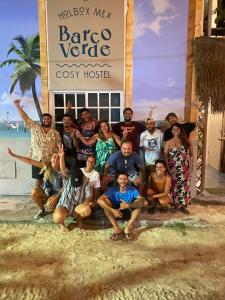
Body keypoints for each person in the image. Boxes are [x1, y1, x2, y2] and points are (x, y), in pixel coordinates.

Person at [13, 99, 61, 190]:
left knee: (50, 182)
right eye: (44, 119)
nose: (46, 120)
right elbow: (25, 118)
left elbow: (59, 149)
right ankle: (38, 200)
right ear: (41, 120)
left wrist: (56, 162)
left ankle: (48, 200)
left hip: (49, 162)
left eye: (48, 119)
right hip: (36, 160)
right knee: (38, 183)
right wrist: (17, 106)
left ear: (51, 120)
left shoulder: (56, 133)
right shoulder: (35, 128)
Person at [8, 148, 63, 218]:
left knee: (50, 205)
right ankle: (42, 210)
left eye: (58, 158)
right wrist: (14, 155)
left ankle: (57, 209)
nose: (56, 159)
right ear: (51, 159)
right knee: (35, 192)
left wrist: (56, 198)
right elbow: (29, 161)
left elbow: (66, 186)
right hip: (47, 192)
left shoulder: (63, 169)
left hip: (58, 194)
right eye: (54, 157)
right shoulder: (46, 165)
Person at [53, 144, 93, 232]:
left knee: (87, 210)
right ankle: (61, 223)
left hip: (77, 208)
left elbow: (89, 197)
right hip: (65, 205)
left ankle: (78, 219)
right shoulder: (68, 177)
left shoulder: (86, 181)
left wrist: (85, 203)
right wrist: (62, 156)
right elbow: (63, 169)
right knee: (57, 218)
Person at [97, 173, 144, 241]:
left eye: (124, 179)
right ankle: (116, 228)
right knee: (106, 204)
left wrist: (128, 205)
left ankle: (127, 228)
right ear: (117, 180)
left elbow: (144, 202)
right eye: (121, 179)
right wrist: (113, 210)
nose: (122, 181)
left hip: (128, 211)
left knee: (139, 204)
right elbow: (99, 200)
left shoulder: (133, 189)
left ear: (127, 180)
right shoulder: (112, 189)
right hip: (116, 212)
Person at [164, 123, 193, 213]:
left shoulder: (186, 141)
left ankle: (183, 206)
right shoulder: (168, 142)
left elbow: (191, 155)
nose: (176, 131)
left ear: (180, 130)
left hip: (185, 169)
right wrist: (168, 168)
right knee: (174, 187)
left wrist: (191, 168)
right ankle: (175, 205)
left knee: (184, 187)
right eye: (174, 129)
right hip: (173, 169)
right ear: (171, 131)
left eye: (178, 129)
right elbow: (165, 157)